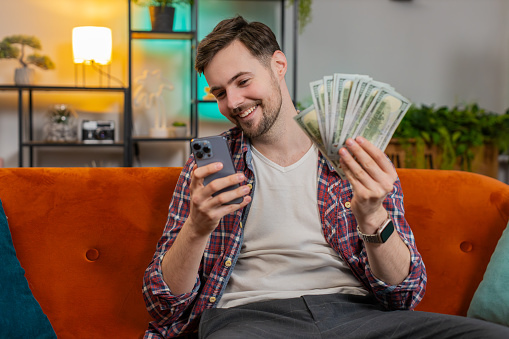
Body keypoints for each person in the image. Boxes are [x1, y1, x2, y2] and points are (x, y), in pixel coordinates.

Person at [142, 16, 509, 339]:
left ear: (278, 64)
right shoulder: (208, 168)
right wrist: (197, 227)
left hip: (358, 316)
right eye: (220, 93)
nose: (233, 102)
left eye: (242, 81)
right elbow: (163, 305)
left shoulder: (355, 152)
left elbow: (405, 293)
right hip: (250, 319)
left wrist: (373, 217)